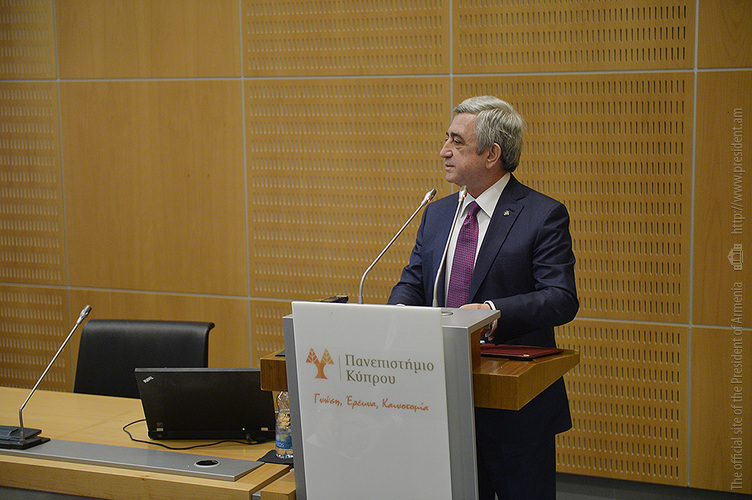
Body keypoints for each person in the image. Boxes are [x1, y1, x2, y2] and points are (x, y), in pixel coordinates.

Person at [388, 96, 578, 499]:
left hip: (513, 407)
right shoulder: (437, 213)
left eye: (457, 141)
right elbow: (414, 282)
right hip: (439, 399)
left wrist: (492, 313)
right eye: (446, 139)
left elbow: (560, 297)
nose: (444, 151)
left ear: (492, 154)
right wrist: (400, 312)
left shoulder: (542, 214)